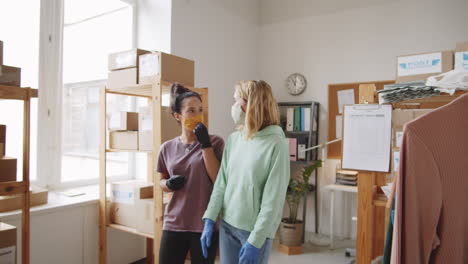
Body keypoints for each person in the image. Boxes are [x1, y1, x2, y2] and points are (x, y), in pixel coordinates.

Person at [200, 80, 290, 264]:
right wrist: (210, 218)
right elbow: (222, 183)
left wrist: (256, 241)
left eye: (236, 101)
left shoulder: (276, 144)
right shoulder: (235, 139)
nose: (233, 107)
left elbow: (273, 200)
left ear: (251, 105)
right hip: (227, 226)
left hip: (254, 232)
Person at [157, 83, 224, 264]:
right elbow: (161, 181)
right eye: (191, 111)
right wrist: (168, 184)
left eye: (200, 110)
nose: (198, 115)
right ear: (177, 116)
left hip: (205, 224)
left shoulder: (215, 142)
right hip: (174, 222)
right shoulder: (167, 147)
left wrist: (205, 145)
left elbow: (218, 179)